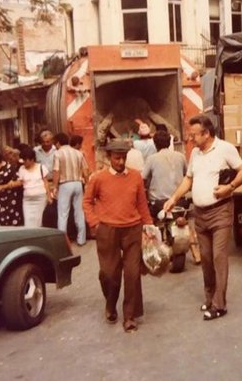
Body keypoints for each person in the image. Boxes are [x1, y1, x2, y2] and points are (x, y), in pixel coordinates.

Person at [164, 114, 242, 321]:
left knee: (219, 257)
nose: (191, 139)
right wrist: (174, 198)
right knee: (207, 259)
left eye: (194, 135)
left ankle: (219, 305)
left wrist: (229, 188)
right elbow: (189, 178)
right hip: (200, 214)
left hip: (220, 211)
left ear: (206, 133)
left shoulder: (225, 149)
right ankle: (210, 298)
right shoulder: (195, 153)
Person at [83, 139, 153, 333]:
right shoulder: (98, 178)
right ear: (109, 158)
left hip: (133, 229)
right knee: (109, 274)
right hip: (107, 231)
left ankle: (129, 316)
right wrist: (95, 223)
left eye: (123, 158)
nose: (120, 162)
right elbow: (87, 202)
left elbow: (142, 204)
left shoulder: (136, 177)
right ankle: (110, 303)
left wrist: (149, 226)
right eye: (116, 158)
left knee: (132, 274)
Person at [53, 132, 90, 245]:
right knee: (79, 211)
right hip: (78, 183)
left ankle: (63, 242)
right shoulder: (78, 153)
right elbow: (85, 170)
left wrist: (54, 187)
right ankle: (81, 239)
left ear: (58, 143)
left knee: (63, 213)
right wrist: (87, 183)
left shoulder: (58, 153)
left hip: (65, 184)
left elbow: (56, 171)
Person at [142, 129, 187, 219]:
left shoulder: (151, 159)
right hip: (179, 201)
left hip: (158, 204)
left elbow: (143, 178)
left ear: (155, 144)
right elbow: (187, 176)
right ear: (169, 143)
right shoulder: (181, 156)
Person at [15, 148, 51, 227]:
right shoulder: (22, 169)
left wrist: (49, 196)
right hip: (27, 199)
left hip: (40, 197)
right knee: (28, 220)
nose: (24, 162)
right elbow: (20, 182)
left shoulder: (41, 167)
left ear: (32, 159)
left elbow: (46, 183)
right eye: (23, 160)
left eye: (26, 160)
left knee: (39, 220)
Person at [0, 150, 23, 226]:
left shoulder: (9, 168)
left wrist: (4, 187)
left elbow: (18, 182)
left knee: (8, 220)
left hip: (9, 199)